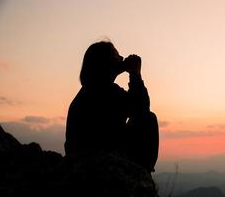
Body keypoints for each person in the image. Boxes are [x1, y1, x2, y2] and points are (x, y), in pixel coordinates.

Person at [64, 41, 158, 172]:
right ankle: (141, 174)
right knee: (149, 119)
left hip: (84, 162)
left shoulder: (90, 91)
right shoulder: (104, 91)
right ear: (105, 63)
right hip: (100, 164)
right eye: (116, 55)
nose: (121, 58)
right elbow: (141, 108)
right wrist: (135, 74)